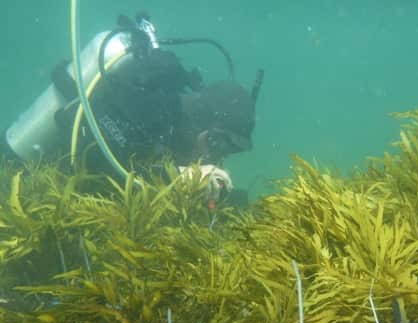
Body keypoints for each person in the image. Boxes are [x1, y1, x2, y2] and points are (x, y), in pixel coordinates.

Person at [1, 12, 262, 207]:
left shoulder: (178, 125)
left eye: (231, 150)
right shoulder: (145, 109)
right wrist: (175, 179)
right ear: (205, 129)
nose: (216, 157)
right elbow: (95, 163)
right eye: (219, 145)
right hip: (16, 172)